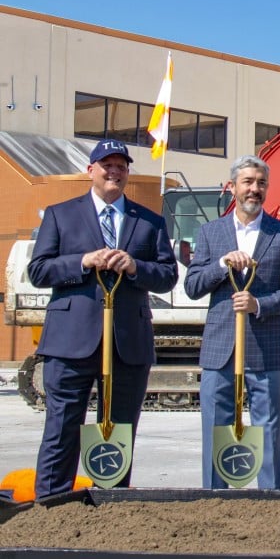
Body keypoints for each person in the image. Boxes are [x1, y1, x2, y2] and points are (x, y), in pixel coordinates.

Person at [28, 139, 177, 499]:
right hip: (71, 340)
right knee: (62, 426)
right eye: (106, 165)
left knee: (119, 429)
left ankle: (113, 503)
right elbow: (39, 269)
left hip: (127, 342)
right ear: (90, 170)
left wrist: (135, 267)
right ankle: (51, 501)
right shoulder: (60, 214)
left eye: (121, 166)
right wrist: (82, 261)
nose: (114, 172)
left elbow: (168, 275)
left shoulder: (150, 221)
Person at [184, 154, 280, 489]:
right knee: (216, 431)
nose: (255, 189)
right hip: (220, 349)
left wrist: (259, 304)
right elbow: (193, 286)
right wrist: (221, 265)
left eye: (261, 183)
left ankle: (275, 500)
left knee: (270, 433)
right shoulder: (210, 233)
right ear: (232, 186)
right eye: (248, 182)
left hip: (266, 350)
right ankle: (215, 501)